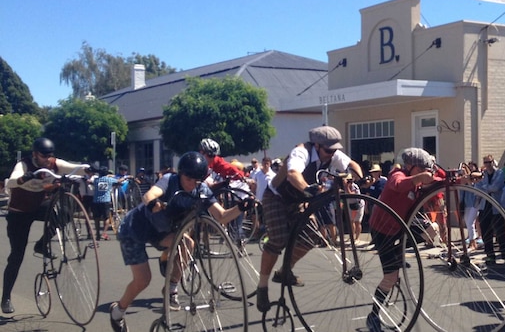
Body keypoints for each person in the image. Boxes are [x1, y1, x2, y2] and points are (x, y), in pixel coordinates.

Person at [109, 151, 252, 332]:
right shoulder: (169, 180)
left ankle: (171, 289)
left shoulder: (201, 189)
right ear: (181, 174)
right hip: (136, 229)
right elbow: (150, 195)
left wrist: (241, 207)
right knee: (143, 280)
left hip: (162, 232)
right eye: (189, 178)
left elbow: (221, 216)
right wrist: (153, 203)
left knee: (188, 244)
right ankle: (117, 312)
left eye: (197, 180)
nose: (192, 184)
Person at [255, 126, 362, 313]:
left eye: (334, 150)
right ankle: (262, 287)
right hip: (277, 198)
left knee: (312, 236)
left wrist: (358, 176)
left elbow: (351, 164)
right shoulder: (301, 152)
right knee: (277, 240)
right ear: (317, 145)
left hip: (299, 201)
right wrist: (307, 189)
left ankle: (284, 271)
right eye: (328, 150)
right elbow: (293, 174)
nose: (332, 154)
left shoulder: (331, 154)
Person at [3, 138, 90, 315]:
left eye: (49, 155)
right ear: (35, 154)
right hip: (19, 212)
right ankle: (5, 298)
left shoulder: (53, 163)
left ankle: (41, 244)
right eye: (44, 155)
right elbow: (11, 181)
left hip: (38, 206)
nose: (47, 159)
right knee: (16, 256)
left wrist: (90, 169)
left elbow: (75, 167)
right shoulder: (24, 165)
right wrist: (24, 178)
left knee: (65, 214)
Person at [365, 148, 441, 332]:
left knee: (432, 230)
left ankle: (400, 251)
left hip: (402, 223)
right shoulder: (397, 174)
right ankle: (373, 316)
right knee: (391, 277)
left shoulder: (417, 182)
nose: (426, 171)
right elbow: (398, 185)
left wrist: (463, 180)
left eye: (427, 168)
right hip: (382, 229)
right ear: (411, 166)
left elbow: (439, 181)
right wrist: (419, 178)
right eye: (422, 168)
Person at [92, 166, 126, 240]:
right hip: (105, 201)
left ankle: (97, 233)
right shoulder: (109, 180)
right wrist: (125, 178)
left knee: (97, 218)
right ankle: (104, 233)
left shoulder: (96, 180)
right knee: (106, 218)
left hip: (96, 201)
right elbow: (119, 181)